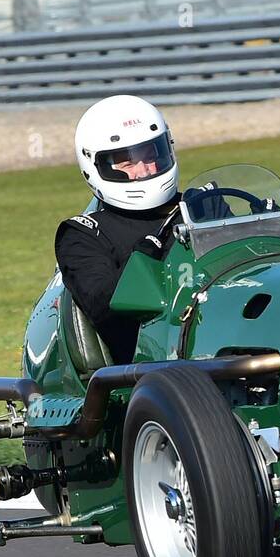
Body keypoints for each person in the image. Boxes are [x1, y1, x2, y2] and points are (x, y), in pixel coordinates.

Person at [54, 94, 184, 363]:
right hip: (150, 366)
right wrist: (146, 255)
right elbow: (103, 305)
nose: (144, 170)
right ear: (94, 165)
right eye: (127, 162)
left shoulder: (198, 208)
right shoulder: (83, 234)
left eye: (151, 155)